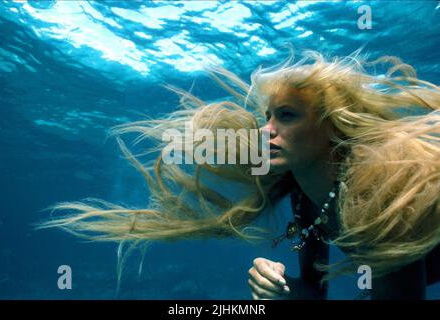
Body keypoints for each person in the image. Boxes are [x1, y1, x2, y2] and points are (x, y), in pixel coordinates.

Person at [39, 50, 440, 299]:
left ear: (332, 125)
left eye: (286, 116)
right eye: (267, 116)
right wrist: (280, 291)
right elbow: (314, 295)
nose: (266, 130)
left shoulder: (383, 189)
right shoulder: (304, 192)